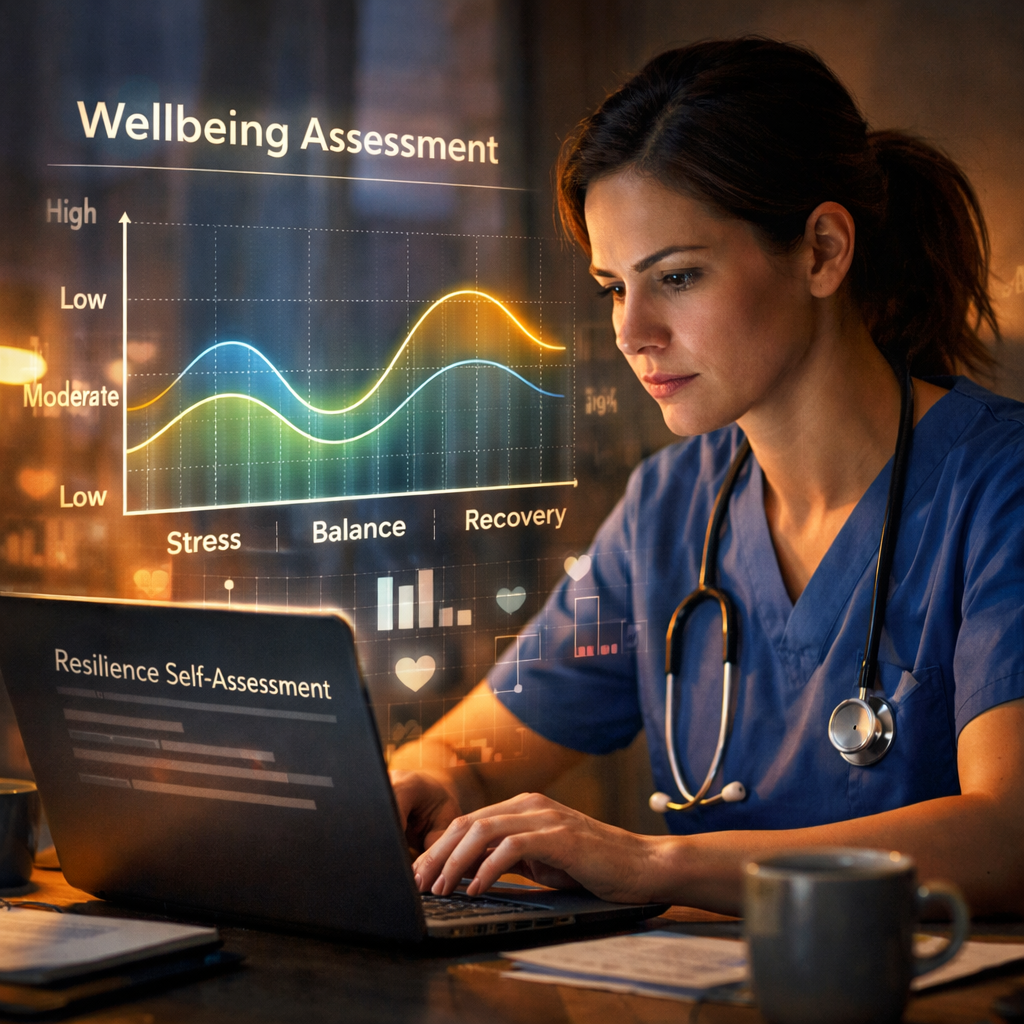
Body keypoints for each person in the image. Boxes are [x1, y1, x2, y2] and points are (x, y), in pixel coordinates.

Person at [390, 38, 1024, 917]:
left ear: (822, 252)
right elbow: (471, 755)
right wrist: (422, 775)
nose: (631, 330)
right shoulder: (668, 508)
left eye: (677, 277)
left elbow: (1010, 831)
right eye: (613, 287)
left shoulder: (1000, 486)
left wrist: (659, 866)